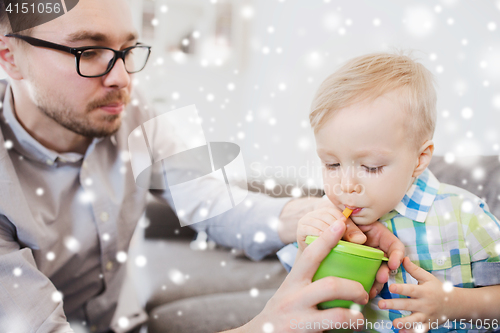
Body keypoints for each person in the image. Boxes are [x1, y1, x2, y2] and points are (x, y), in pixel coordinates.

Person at [0, 1, 405, 332]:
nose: (122, 79)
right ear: (10, 58)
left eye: (126, 51)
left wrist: (312, 214)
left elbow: (213, 201)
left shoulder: (137, 114)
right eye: (88, 52)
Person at [291, 52, 500, 332]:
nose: (346, 184)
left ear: (420, 158)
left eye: (371, 166)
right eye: (332, 164)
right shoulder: (328, 216)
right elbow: (298, 307)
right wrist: (307, 249)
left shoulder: (466, 215)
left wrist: (452, 303)